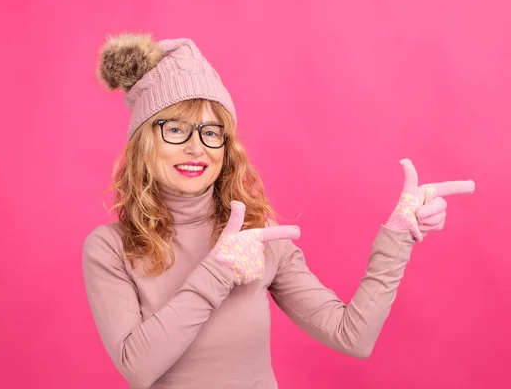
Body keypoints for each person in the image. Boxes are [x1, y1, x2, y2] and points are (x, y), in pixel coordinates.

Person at [82, 33, 475, 389]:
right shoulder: (110, 248)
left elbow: (352, 336)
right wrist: (219, 271)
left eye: (211, 131)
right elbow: (138, 366)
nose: (196, 147)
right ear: (143, 141)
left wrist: (398, 235)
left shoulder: (259, 236)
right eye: (176, 129)